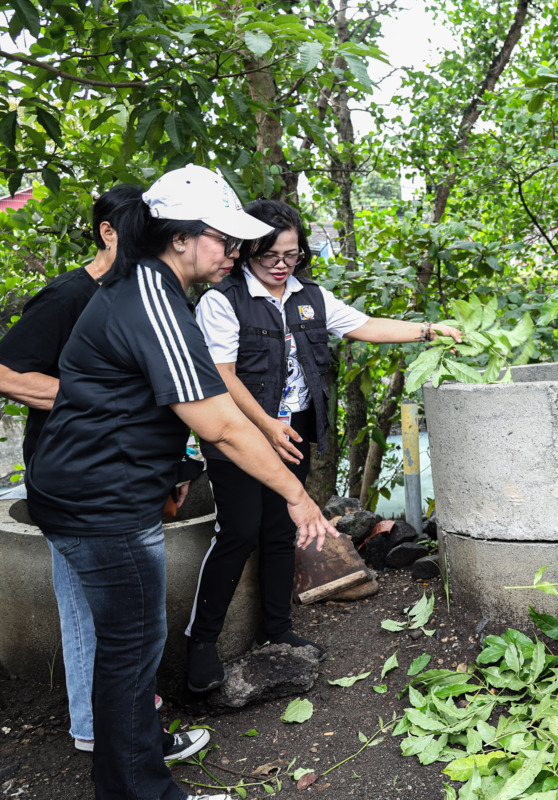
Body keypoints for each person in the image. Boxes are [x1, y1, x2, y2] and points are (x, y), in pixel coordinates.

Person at [24, 164, 339, 800]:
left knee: (129, 649)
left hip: (94, 492)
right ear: (182, 238)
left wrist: (172, 472)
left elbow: (151, 403)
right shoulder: (152, 299)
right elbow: (219, 424)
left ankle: (130, 779)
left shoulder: (147, 289)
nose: (235, 252)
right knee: (132, 650)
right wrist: (298, 496)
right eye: (225, 239)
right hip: (100, 504)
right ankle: (142, 791)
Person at [185, 199, 462, 692]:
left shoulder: (308, 294)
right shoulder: (222, 301)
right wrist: (266, 425)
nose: (280, 264)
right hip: (239, 433)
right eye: (268, 254)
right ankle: (201, 644)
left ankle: (277, 629)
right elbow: (223, 378)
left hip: (292, 432)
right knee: (239, 532)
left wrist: (426, 330)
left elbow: (365, 326)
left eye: (290, 254)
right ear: (246, 249)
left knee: (278, 532)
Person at [0, 185, 205, 760]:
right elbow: (6, 371)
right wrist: (92, 396)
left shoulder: (145, 293)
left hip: (118, 471)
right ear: (109, 233)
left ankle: (112, 732)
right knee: (98, 617)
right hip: (78, 476)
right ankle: (112, 737)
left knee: (112, 619)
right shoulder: (72, 294)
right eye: (143, 231)